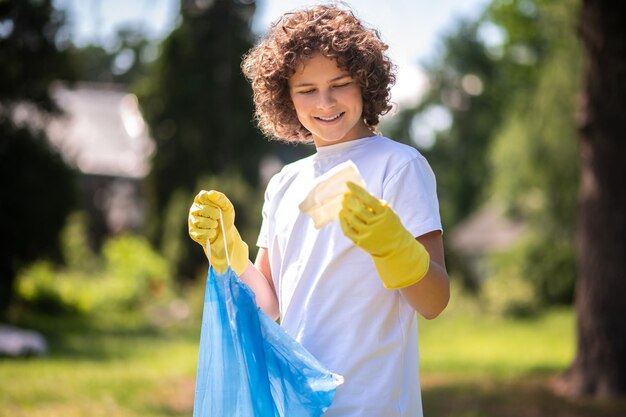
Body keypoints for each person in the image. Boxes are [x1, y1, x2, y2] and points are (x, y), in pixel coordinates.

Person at [188, 4, 450, 417]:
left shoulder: (399, 166)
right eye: (306, 89)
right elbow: (270, 303)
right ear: (285, 98)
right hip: (298, 403)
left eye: (340, 84)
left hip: (373, 404)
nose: (325, 102)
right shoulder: (284, 182)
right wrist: (231, 255)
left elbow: (435, 301)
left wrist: (394, 248)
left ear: (366, 83)